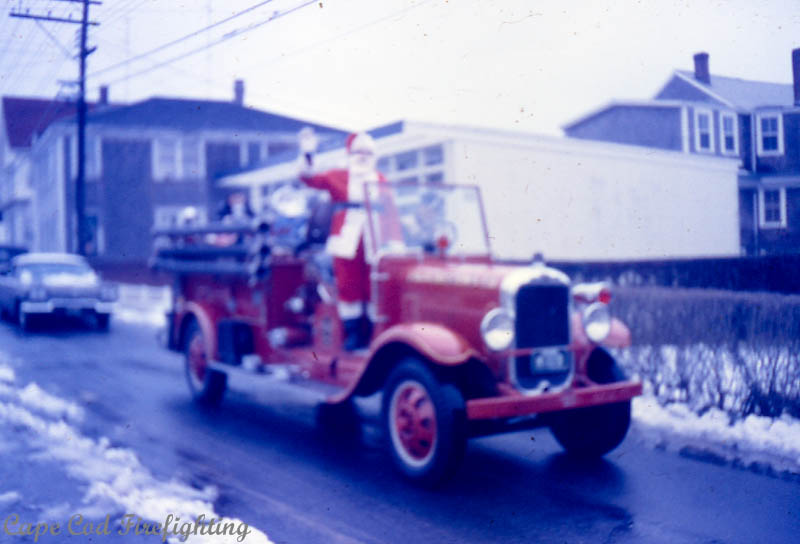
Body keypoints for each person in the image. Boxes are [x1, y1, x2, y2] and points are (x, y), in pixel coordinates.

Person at [297, 127, 385, 351]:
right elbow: (309, 178)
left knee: (374, 284)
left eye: (367, 152)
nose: (363, 156)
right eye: (358, 152)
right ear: (350, 154)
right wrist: (308, 154)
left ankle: (374, 332)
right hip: (347, 238)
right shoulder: (338, 175)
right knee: (348, 283)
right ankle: (353, 333)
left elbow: (391, 209)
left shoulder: (381, 179)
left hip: (375, 237)